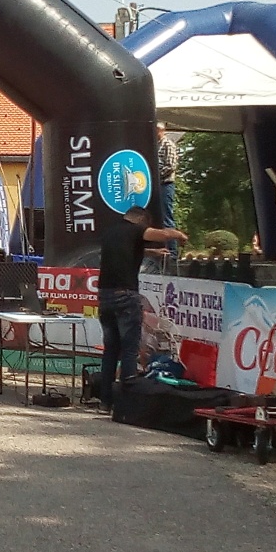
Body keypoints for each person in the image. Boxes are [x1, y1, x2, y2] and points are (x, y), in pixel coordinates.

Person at [98, 205, 187, 421]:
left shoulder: (110, 232)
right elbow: (162, 235)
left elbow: (125, 249)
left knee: (111, 350)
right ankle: (127, 403)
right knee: (129, 350)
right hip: (125, 296)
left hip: (104, 297)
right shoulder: (136, 229)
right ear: (141, 220)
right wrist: (179, 235)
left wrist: (151, 253)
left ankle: (105, 402)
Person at [155, 124, 181, 228]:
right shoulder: (156, 145)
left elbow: (171, 166)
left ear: (161, 130)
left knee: (166, 215)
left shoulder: (168, 144)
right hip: (157, 185)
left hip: (165, 184)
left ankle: (170, 237)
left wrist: (156, 176)